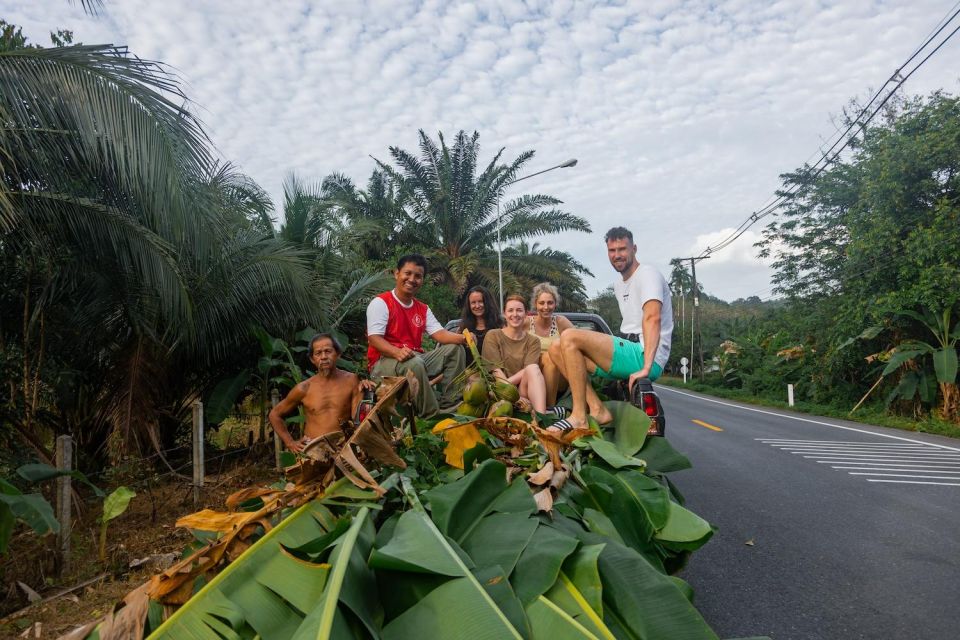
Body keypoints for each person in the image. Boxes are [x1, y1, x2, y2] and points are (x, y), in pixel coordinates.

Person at [548, 227, 673, 432]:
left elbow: (652, 318)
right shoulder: (619, 284)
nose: (617, 255)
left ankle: (579, 416)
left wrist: (646, 367)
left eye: (622, 249)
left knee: (569, 336)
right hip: (629, 350)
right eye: (612, 250)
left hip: (643, 355)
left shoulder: (647, 274)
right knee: (556, 347)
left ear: (634, 249)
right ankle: (597, 409)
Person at [367, 254, 466, 417]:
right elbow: (374, 339)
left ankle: (450, 404)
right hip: (383, 364)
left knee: (456, 350)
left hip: (414, 359)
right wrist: (396, 352)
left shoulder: (422, 308)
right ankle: (432, 415)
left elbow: (440, 334)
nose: (412, 279)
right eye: (408, 273)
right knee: (415, 362)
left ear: (422, 280)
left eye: (418, 276)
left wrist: (463, 339)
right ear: (396, 273)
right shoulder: (381, 302)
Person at [268, 333, 371, 452]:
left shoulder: (352, 380)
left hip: (343, 450)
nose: (323, 357)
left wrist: (367, 391)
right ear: (312, 359)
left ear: (337, 354)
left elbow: (359, 419)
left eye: (328, 351)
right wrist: (290, 443)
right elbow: (274, 415)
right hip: (313, 452)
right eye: (318, 353)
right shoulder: (304, 388)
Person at [482, 295, 548, 413]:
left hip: (523, 391)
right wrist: (509, 394)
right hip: (498, 392)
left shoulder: (533, 341)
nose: (515, 314)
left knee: (533, 368)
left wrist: (517, 395)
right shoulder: (493, 335)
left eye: (519, 310)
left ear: (526, 314)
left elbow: (528, 371)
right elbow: (496, 370)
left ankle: (541, 418)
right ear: (504, 314)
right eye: (510, 310)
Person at [528, 282, 574, 405]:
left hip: (560, 376)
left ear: (555, 304)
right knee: (545, 359)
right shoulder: (526, 323)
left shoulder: (561, 322)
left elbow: (578, 343)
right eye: (542, 303)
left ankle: (549, 409)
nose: (546, 307)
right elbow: (507, 336)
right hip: (534, 372)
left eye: (550, 302)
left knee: (550, 358)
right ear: (535, 304)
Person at [459, 285, 502, 366]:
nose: (477, 306)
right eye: (473, 303)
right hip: (470, 376)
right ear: (469, 305)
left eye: (480, 301)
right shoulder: (463, 329)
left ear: (487, 302)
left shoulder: (500, 326)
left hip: (498, 375)